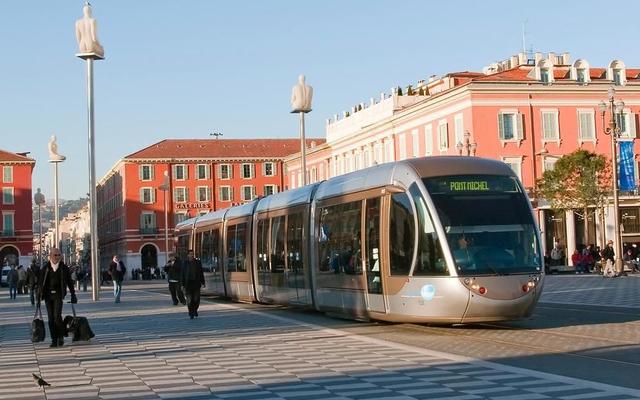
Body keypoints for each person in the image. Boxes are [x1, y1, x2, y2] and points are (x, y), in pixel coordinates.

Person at [37, 248, 77, 348]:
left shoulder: (64, 268)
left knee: (57, 317)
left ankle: (60, 337)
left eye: (59, 255)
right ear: (50, 256)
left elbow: (69, 282)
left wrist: (73, 294)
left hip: (58, 295)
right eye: (55, 255)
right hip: (47, 295)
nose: (58, 257)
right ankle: (54, 339)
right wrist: (38, 297)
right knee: (51, 318)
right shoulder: (45, 268)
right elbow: (40, 284)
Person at [181, 250, 205, 319]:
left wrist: (203, 282)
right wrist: (182, 285)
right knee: (189, 300)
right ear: (188, 255)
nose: (192, 255)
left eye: (192, 254)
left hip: (196, 283)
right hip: (188, 284)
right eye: (190, 254)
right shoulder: (184, 263)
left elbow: (201, 273)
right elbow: (182, 274)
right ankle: (191, 312)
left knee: (196, 299)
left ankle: (195, 310)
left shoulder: (198, 262)